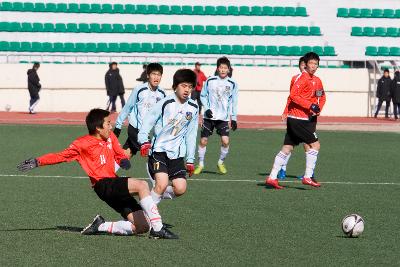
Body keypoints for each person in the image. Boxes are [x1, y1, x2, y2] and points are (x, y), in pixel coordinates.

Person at [17, 108, 178, 239]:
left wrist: (123, 159)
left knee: (142, 226)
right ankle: (159, 228)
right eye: (108, 123)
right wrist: (38, 161)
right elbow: (60, 156)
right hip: (103, 185)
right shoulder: (82, 144)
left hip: (113, 182)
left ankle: (100, 225)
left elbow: (118, 152)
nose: (111, 125)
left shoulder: (110, 137)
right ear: (98, 128)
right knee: (142, 185)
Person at [265, 52, 326, 189]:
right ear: (305, 65)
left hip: (306, 118)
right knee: (315, 145)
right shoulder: (301, 78)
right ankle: (308, 176)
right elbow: (293, 96)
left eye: (315, 64)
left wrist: (317, 108)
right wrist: (308, 106)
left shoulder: (317, 81)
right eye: (310, 63)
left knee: (287, 148)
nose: (313, 66)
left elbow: (322, 97)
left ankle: (272, 177)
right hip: (298, 118)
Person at [138, 69, 198, 206]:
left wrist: (190, 160)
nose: (187, 90)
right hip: (159, 151)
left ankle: (148, 199)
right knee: (162, 183)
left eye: (190, 86)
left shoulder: (194, 107)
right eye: (183, 85)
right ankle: (148, 217)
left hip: (176, 155)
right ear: (175, 86)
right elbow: (148, 120)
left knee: (180, 188)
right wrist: (144, 141)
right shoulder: (166, 102)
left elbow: (191, 134)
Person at [194, 57, 239, 175]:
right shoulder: (210, 81)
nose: (223, 70)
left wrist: (233, 118)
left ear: (229, 69)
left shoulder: (233, 84)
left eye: (225, 68)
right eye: (221, 67)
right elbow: (203, 96)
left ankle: (220, 162)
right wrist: (207, 109)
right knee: (203, 141)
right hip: (209, 117)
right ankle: (201, 164)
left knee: (225, 141)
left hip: (223, 119)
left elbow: (234, 102)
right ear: (217, 68)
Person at [114, 63, 166, 157]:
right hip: (135, 129)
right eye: (153, 74)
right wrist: (118, 125)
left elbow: (162, 114)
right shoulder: (139, 89)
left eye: (159, 75)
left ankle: (108, 169)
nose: (156, 77)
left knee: (125, 156)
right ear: (147, 75)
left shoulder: (162, 93)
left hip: (146, 131)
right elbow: (128, 107)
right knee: (154, 154)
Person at [278, 56, 312, 179]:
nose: (304, 67)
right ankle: (282, 169)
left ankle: (309, 172)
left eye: (306, 65)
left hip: (307, 116)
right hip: (295, 116)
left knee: (308, 144)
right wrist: (286, 111)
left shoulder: (314, 80)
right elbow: (291, 97)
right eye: (302, 65)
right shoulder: (295, 79)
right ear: (300, 66)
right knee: (289, 144)